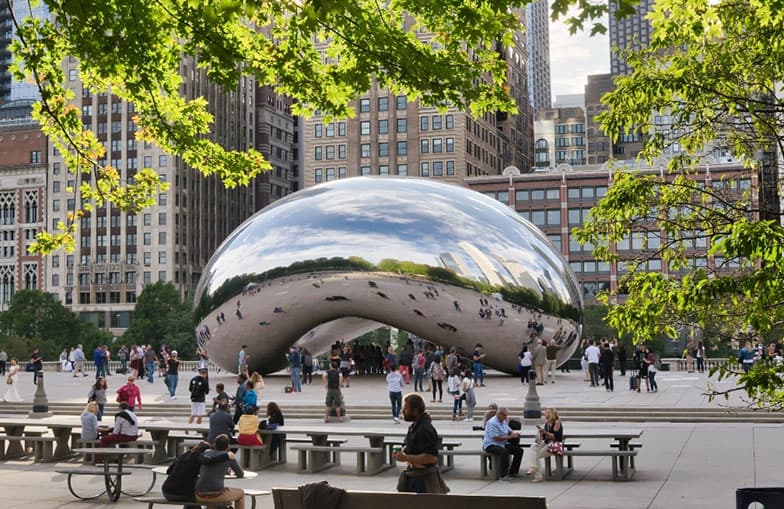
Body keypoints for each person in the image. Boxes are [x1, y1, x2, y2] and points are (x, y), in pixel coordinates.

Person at [393, 393, 449, 494]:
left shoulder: (425, 429)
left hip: (425, 480)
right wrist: (402, 452)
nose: (403, 411)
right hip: (413, 475)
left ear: (415, 411)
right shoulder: (413, 426)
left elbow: (431, 457)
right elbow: (410, 447)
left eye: (406, 409)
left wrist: (406, 458)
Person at [195, 434, 245, 509]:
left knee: (216, 494)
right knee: (241, 493)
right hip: (216, 495)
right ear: (228, 446)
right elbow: (240, 473)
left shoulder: (206, 452)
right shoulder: (228, 456)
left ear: (214, 444)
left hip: (199, 494)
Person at [162, 441, 213, 509]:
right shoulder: (198, 456)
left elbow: (169, 471)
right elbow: (208, 461)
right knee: (196, 498)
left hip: (166, 491)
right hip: (177, 494)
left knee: (191, 495)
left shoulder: (184, 455)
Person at [482, 406, 523, 481]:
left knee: (519, 450)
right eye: (505, 415)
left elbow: (509, 430)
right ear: (499, 414)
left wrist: (514, 434)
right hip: (491, 444)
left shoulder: (503, 421)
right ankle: (503, 475)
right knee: (504, 452)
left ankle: (513, 472)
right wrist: (509, 437)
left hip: (502, 443)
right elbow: (495, 437)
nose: (506, 417)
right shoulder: (492, 423)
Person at [525, 407, 563, 482]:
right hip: (547, 443)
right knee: (533, 447)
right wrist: (541, 434)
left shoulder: (557, 422)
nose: (544, 414)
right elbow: (545, 437)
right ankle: (533, 469)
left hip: (555, 445)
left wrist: (545, 432)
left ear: (551, 414)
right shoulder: (547, 423)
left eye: (546, 412)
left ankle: (537, 474)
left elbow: (555, 437)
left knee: (536, 455)